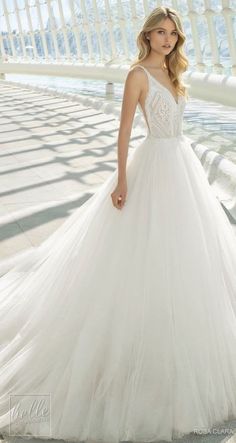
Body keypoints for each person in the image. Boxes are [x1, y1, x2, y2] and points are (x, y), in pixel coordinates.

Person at [0, 5, 236, 443]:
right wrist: (123, 180)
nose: (167, 39)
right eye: (159, 33)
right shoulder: (138, 75)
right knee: (145, 259)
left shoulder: (174, 72)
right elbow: (125, 133)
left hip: (184, 167)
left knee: (189, 261)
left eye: (173, 33)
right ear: (146, 36)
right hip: (154, 167)